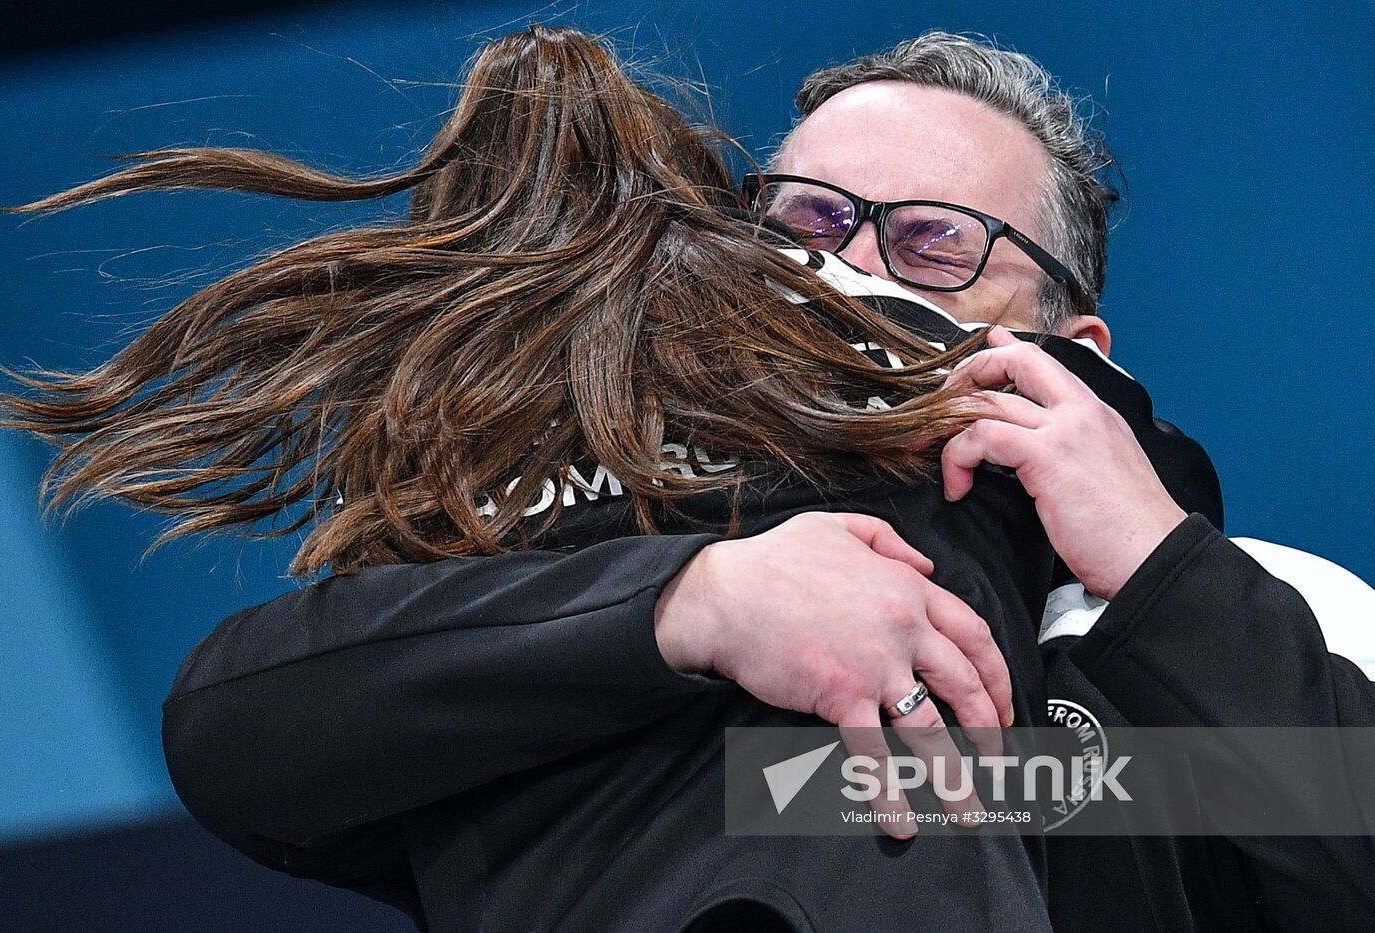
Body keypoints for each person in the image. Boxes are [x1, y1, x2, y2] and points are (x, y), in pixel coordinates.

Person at [146, 29, 1375, 933]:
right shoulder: (583, 543)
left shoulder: (1264, 606)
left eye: (930, 241)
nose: (844, 267)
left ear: (1074, 349)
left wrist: (1159, 569)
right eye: (805, 222)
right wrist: (690, 606)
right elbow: (240, 737)